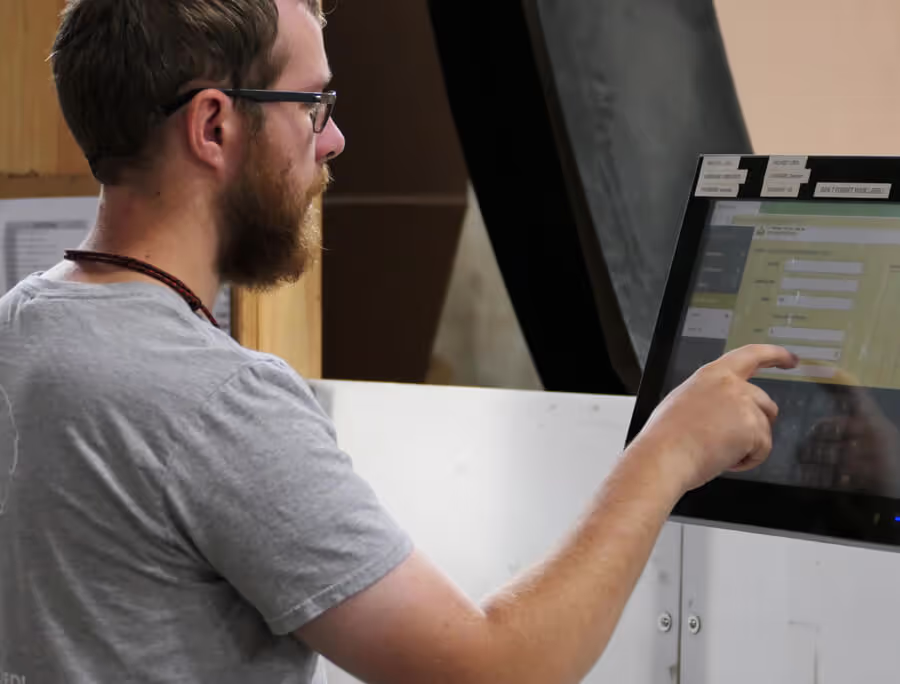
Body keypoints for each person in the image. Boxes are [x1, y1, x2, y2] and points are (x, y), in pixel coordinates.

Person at [0, 0, 797, 682]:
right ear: (213, 124)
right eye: (311, 104)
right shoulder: (213, 402)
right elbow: (495, 670)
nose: (335, 138)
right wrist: (668, 451)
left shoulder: (21, 328)